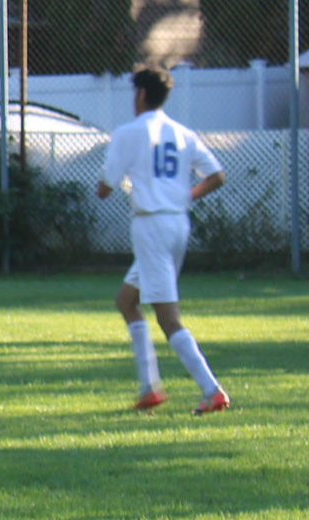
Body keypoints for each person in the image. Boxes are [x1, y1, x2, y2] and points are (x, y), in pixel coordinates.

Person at [97, 66, 230, 415]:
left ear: (140, 94)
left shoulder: (129, 132)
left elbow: (103, 189)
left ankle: (211, 389)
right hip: (176, 224)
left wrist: (123, 182)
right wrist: (185, 195)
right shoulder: (182, 132)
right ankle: (148, 388)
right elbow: (216, 176)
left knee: (167, 317)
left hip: (151, 226)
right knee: (126, 301)